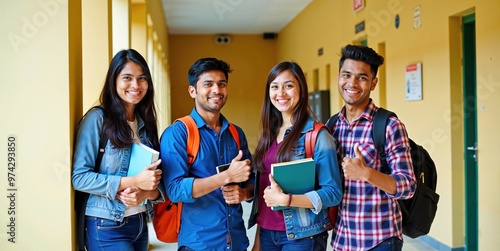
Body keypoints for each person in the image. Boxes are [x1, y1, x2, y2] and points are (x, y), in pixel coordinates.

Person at [72, 49, 165, 251]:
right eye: (127, 78)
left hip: (140, 224)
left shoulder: (146, 123)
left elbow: (156, 185)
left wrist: (145, 194)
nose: (135, 85)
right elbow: (79, 178)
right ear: (114, 81)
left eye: (142, 78)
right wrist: (133, 182)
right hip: (105, 225)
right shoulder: (97, 119)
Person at [160, 57, 254, 251]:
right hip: (199, 244)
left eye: (222, 84)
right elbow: (175, 190)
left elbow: (252, 181)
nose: (216, 90)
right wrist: (226, 177)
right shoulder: (178, 133)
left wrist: (244, 193)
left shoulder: (236, 134)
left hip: (236, 242)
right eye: (208, 84)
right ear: (192, 90)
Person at [248, 61, 343, 251]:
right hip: (266, 234)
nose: (280, 93)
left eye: (288, 86)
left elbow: (333, 193)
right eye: (274, 87)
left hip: (303, 237)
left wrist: (288, 200)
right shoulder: (269, 134)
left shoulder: (317, 136)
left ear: (301, 89)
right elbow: (266, 193)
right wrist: (259, 237)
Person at [329, 44, 417, 251]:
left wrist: (366, 173)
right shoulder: (332, 126)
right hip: (343, 239)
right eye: (347, 75)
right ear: (339, 77)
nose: (352, 83)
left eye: (362, 77)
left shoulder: (388, 125)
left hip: (380, 240)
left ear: (373, 83)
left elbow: (407, 185)